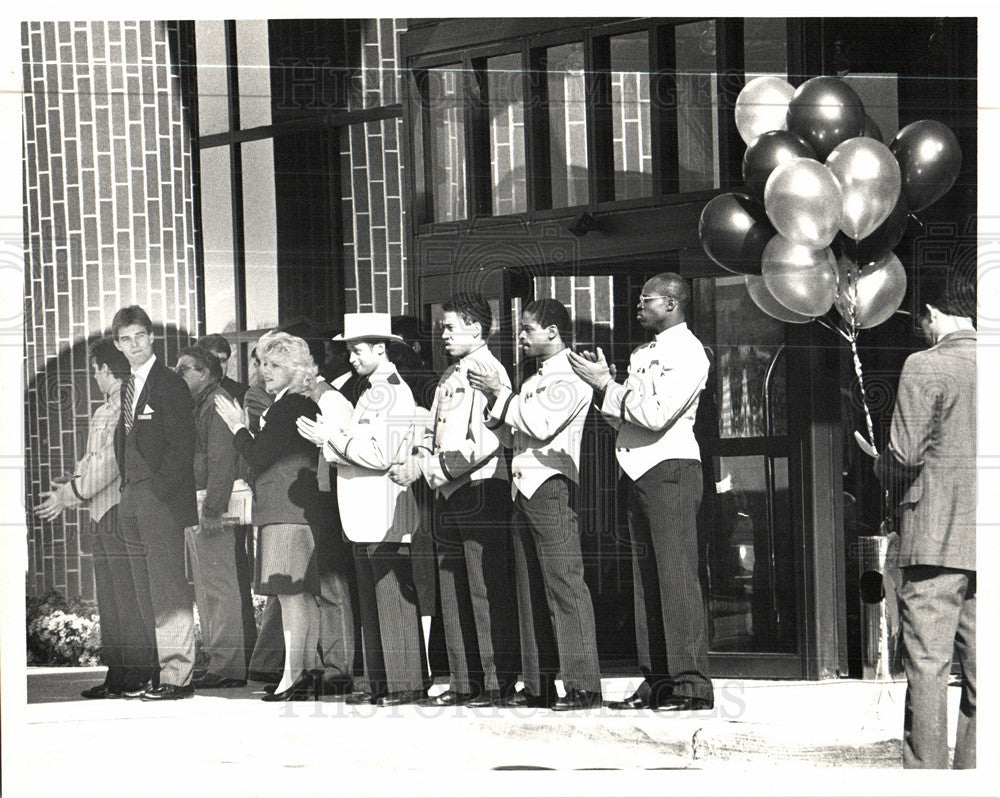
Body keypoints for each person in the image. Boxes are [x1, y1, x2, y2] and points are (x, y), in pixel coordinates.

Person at [568, 272, 714, 711]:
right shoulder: (641, 354)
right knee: (645, 582)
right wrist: (613, 393)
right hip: (635, 469)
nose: (638, 306)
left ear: (671, 304)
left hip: (669, 469)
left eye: (646, 300)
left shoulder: (689, 353)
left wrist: (607, 388)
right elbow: (624, 419)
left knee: (676, 579)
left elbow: (655, 414)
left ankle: (692, 685)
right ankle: (657, 681)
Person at [468, 298, 601, 711]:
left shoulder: (571, 376)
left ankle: (583, 685)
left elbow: (541, 424)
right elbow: (515, 435)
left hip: (551, 485)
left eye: (528, 329)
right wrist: (496, 408)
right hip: (523, 487)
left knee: (564, 584)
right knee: (529, 590)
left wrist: (500, 395)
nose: (521, 337)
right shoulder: (531, 380)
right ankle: (539, 684)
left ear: (552, 332)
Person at [391, 296, 519, 708]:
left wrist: (438, 469)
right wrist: (424, 458)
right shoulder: (451, 372)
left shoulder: (489, 371)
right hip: (449, 487)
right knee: (453, 585)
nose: (443, 335)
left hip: (479, 487)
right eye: (443, 327)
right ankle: (466, 680)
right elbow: (433, 424)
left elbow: (486, 438)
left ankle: (497, 681)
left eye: (451, 327)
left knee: (484, 587)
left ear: (477, 329)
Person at [298, 312, 425, 707]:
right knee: (372, 598)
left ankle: (405, 683)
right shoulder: (373, 391)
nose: (351, 357)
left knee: (390, 598)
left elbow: (380, 453)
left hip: (382, 509)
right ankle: (380, 681)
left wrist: (331, 439)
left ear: (381, 348)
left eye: (358, 349)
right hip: (365, 511)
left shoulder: (392, 391)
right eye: (350, 349)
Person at [875, 276, 976, 768]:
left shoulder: (925, 364)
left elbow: (905, 452)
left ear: (933, 313)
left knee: (929, 671)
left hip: (935, 538)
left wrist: (879, 462)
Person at [33, 337, 157, 698]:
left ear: (105, 370)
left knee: (125, 596)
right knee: (111, 597)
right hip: (104, 513)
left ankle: (134, 675)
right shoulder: (108, 408)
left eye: (95, 371)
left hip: (118, 511)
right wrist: (70, 483)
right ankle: (119, 676)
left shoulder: (124, 407)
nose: (94, 377)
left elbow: (110, 463)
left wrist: (69, 495)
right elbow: (92, 460)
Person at [215, 332, 324, 702]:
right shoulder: (296, 403)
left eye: (276, 365)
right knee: (301, 596)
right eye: (263, 364)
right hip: (297, 512)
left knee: (290, 596)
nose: (265, 371)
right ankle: (306, 672)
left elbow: (260, 455)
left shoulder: (289, 406)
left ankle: (292, 678)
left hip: (283, 511)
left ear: (295, 370)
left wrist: (237, 428)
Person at [111, 305, 198, 700]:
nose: (134, 345)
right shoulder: (129, 385)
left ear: (151, 338)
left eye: (139, 336)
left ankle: (177, 677)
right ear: (118, 344)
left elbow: (182, 448)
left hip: (159, 501)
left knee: (168, 590)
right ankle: (154, 672)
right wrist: (129, 490)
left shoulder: (169, 384)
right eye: (125, 339)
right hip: (131, 497)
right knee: (142, 590)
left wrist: (160, 494)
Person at [175, 345, 255, 689]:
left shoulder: (217, 402)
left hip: (211, 506)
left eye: (184, 369)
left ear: (205, 373)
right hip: (199, 503)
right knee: (208, 588)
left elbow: (222, 461)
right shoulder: (201, 403)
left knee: (218, 587)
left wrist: (212, 510)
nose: (178, 375)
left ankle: (227, 665)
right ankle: (220, 660)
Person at [197, 333, 249, 405]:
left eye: (223, 361)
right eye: (213, 360)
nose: (218, 366)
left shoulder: (242, 393)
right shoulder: (193, 390)